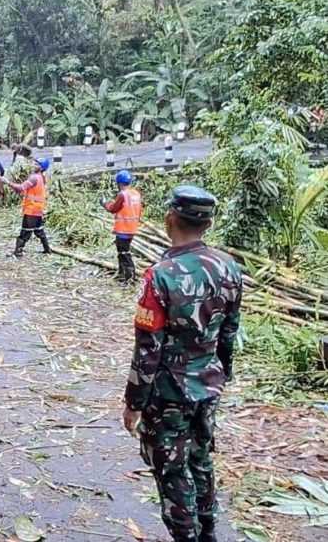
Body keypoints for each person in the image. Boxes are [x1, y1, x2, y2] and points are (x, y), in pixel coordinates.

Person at [123, 185, 242, 542]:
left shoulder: (160, 275)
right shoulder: (229, 266)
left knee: (173, 472)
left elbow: (148, 349)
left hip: (168, 393)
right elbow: (228, 334)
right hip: (208, 384)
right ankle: (208, 532)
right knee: (201, 459)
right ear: (207, 224)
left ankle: (186, 536)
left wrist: (134, 403)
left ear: (170, 217)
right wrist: (221, 376)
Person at [102, 170, 143, 282]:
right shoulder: (136, 194)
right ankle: (122, 274)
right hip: (132, 228)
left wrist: (104, 203)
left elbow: (113, 208)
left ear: (119, 183)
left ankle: (129, 277)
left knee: (123, 253)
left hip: (123, 229)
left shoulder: (122, 194)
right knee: (123, 252)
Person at [8, 158, 51, 256]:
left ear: (41, 168)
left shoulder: (34, 178)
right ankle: (47, 249)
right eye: (34, 163)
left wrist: (9, 183)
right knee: (39, 230)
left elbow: (20, 188)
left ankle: (18, 251)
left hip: (31, 209)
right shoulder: (41, 177)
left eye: (37, 164)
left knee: (25, 231)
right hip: (38, 208)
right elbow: (25, 190)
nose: (33, 165)